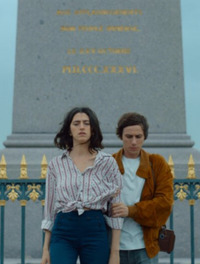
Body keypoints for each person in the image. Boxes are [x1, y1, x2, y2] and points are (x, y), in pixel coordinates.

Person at [41, 107, 123, 264]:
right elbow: (50, 210)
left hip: (95, 227)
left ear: (93, 129)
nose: (82, 127)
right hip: (64, 228)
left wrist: (115, 253)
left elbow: (116, 211)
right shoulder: (56, 165)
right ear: (69, 130)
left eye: (86, 123)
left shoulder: (107, 163)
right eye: (76, 123)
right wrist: (45, 249)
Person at [111, 112, 174, 264]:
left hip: (146, 247)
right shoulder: (110, 163)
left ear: (144, 137)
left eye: (138, 137)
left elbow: (165, 203)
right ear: (121, 136)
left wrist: (131, 210)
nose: (133, 142)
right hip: (113, 247)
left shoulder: (157, 164)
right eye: (128, 136)